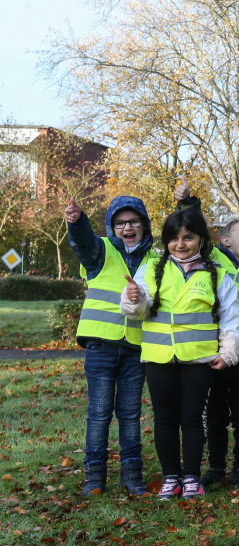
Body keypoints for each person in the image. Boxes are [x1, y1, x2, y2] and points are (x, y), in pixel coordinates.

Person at [121, 207, 239, 500]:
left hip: (198, 361)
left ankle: (191, 478)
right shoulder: (150, 269)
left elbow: (230, 319)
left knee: (191, 419)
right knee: (164, 420)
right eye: (174, 239)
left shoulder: (218, 275)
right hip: (159, 358)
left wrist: (228, 354)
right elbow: (137, 308)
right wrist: (134, 299)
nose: (181, 244)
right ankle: (170, 478)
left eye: (188, 237)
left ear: (201, 239)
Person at [172, 177, 239, 491]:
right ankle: (215, 466)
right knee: (214, 413)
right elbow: (195, 229)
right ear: (225, 241)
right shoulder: (213, 261)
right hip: (213, 352)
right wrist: (188, 204)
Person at [66, 194, 159, 496]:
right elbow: (82, 244)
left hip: (135, 348)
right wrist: (78, 223)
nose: (127, 227)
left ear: (144, 226)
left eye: (133, 222)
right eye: (120, 223)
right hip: (101, 346)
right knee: (100, 411)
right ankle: (95, 475)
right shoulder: (101, 251)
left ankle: (132, 474)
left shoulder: (155, 260)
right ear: (111, 227)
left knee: (130, 413)